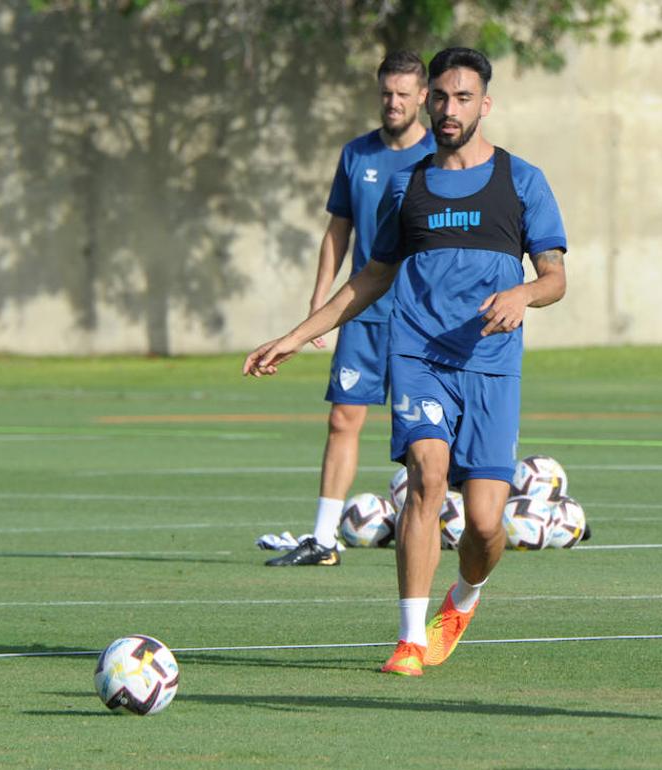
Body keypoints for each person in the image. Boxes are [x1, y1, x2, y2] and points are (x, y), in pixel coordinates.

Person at [244, 47, 568, 675]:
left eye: (463, 98)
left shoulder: (521, 180)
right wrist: (293, 335)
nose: (449, 110)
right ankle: (411, 639)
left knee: (482, 526)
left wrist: (523, 293)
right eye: (441, 97)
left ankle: (466, 596)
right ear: (429, 99)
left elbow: (554, 278)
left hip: (491, 365)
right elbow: (371, 277)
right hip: (418, 353)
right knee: (425, 476)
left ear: (485, 104)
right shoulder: (408, 183)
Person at [260, 51, 436, 567]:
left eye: (405, 94)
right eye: (387, 93)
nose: (394, 102)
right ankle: (323, 538)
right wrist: (321, 298)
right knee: (342, 419)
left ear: (423, 97)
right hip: (363, 309)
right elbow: (339, 229)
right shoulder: (357, 154)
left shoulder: (437, 159)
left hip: (417, 316)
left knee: (426, 431)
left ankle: (447, 524)